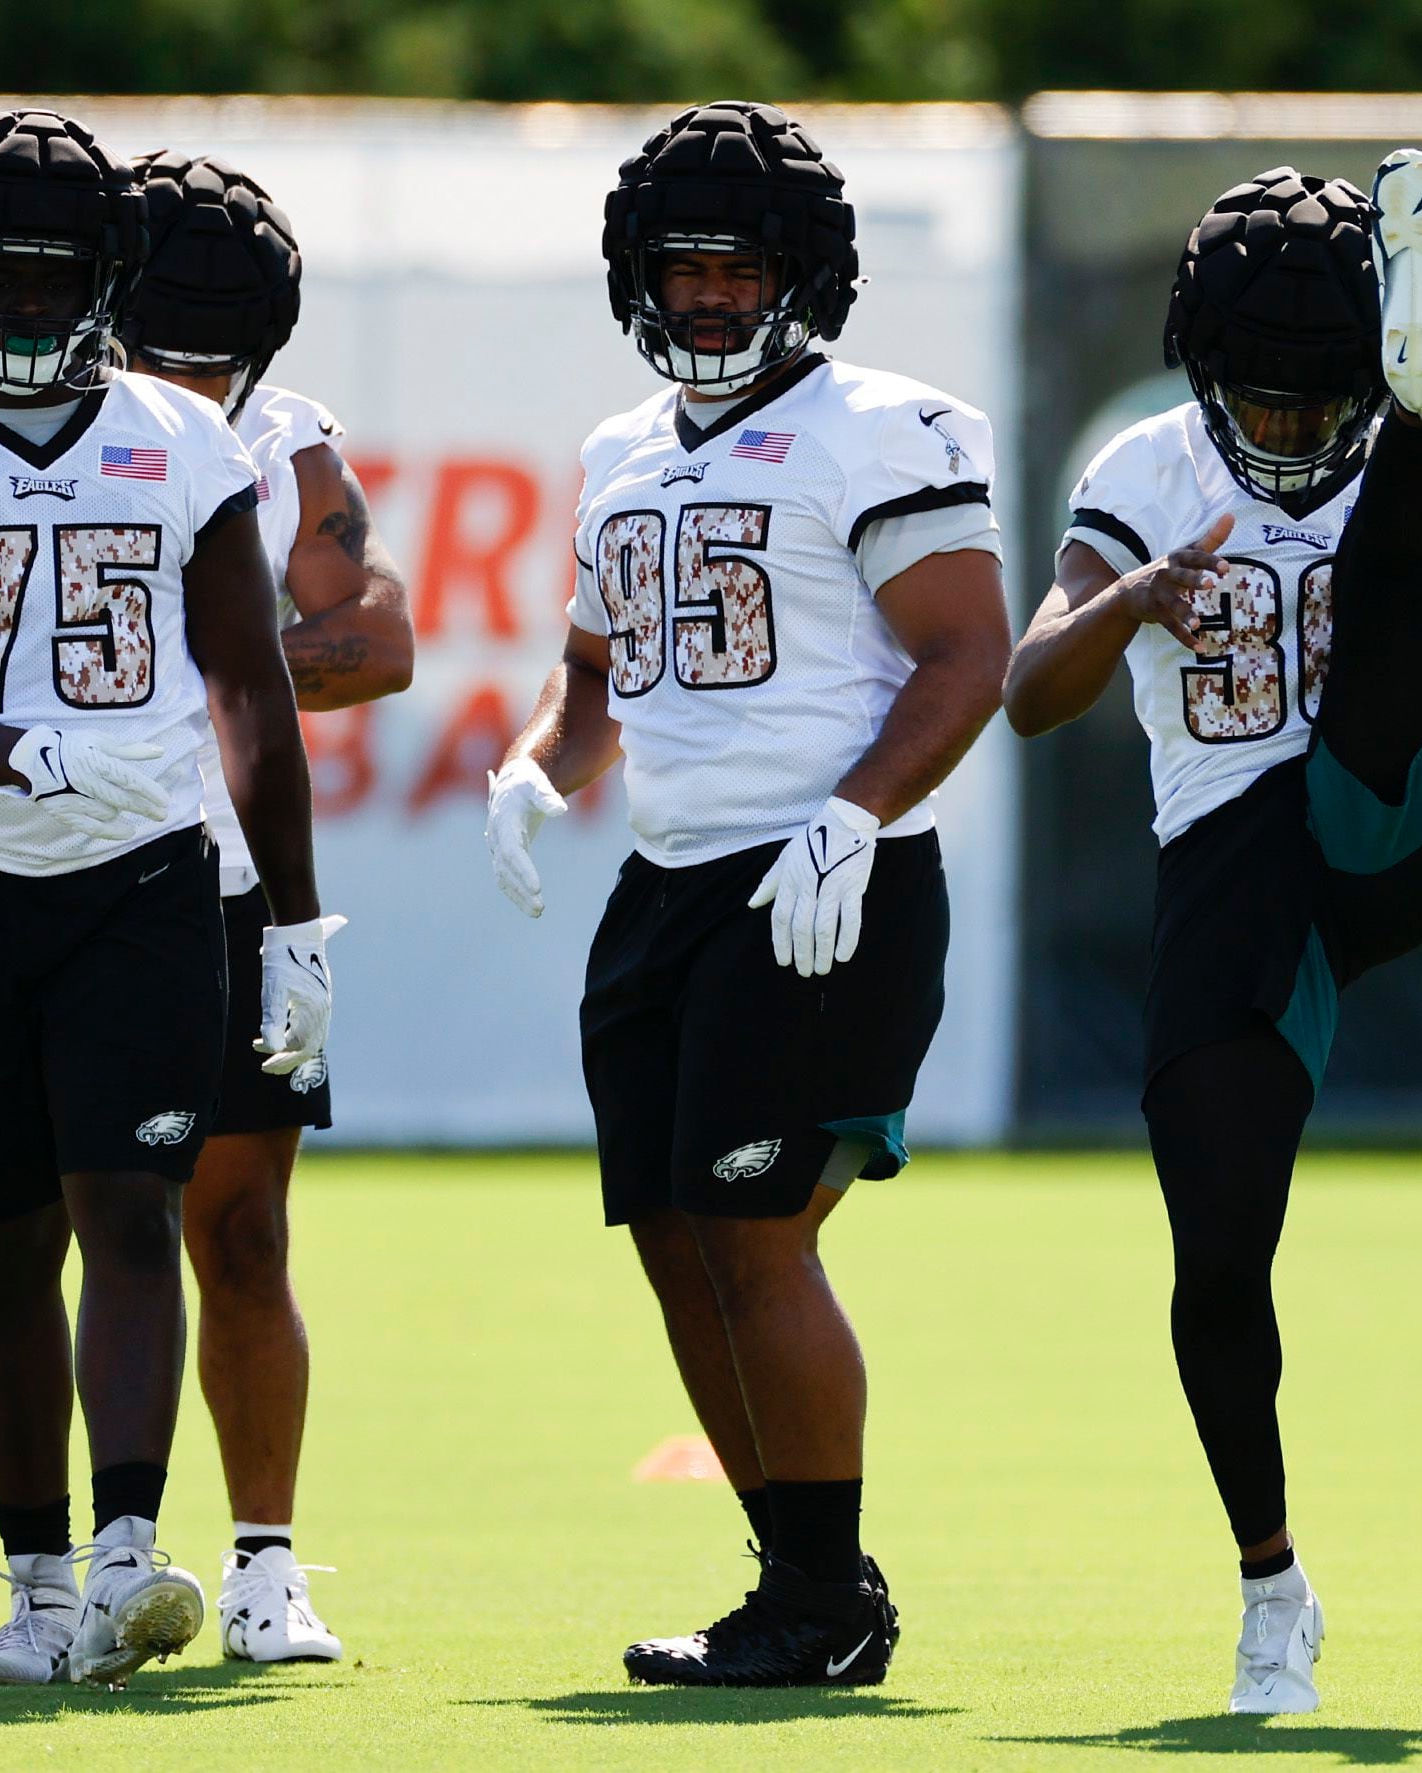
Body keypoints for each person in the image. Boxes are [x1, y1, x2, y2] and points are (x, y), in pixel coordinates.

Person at [1004, 155, 1422, 1714]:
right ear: (1205, 374)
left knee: (1394, 570)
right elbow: (1026, 691)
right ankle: (1272, 1585)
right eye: (1262, 403)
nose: (1285, 432)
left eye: (1320, 400)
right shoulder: (1149, 474)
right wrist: (1129, 600)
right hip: (1232, 865)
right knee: (1217, 1255)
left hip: (1391, 819)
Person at [0, 149, 411, 1671]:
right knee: (9, 1233)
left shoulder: (274, 445)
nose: (188, 374)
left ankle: (260, 1564)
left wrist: (170, 695)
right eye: (167, 342)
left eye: (216, 356)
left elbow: (381, 639)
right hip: (31, 861)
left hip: (204, 880)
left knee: (228, 1233)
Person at [485, 100, 1010, 1687]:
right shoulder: (619, 449)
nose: (707, 295)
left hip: (821, 880)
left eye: (737, 265)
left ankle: (827, 1595)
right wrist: (534, 770)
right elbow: (590, 682)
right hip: (667, 885)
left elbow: (968, 654)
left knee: (752, 1230)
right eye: (682, 265)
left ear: (803, 275)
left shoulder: (890, 425)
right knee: (671, 1238)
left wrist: (853, 817)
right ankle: (796, 1583)